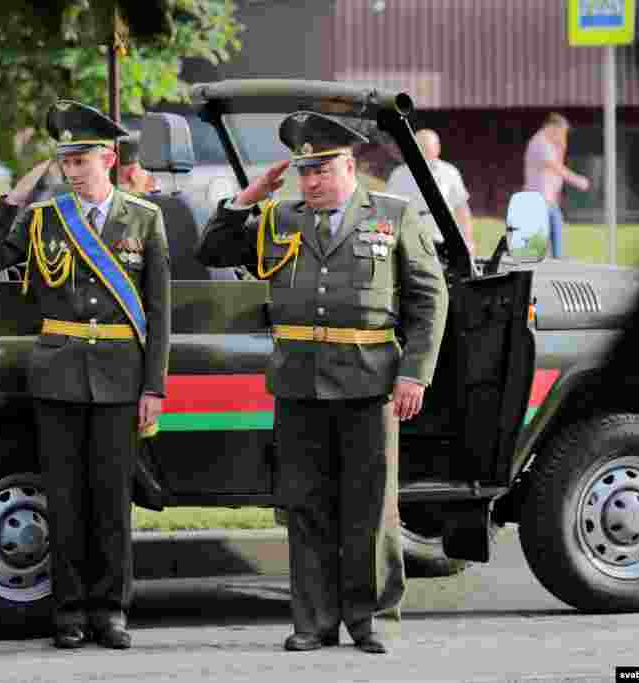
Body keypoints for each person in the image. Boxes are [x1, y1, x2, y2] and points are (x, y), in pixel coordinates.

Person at [197, 112, 448, 654]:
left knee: (369, 505)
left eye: (322, 170)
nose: (310, 182)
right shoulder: (280, 218)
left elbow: (430, 300)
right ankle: (313, 620)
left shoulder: (394, 216)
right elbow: (213, 252)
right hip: (299, 383)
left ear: (349, 165)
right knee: (305, 506)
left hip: (369, 382)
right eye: (303, 172)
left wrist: (414, 374)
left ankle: (369, 618)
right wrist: (249, 196)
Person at [0, 99, 170, 650]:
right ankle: (69, 612)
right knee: (64, 498)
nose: (73, 170)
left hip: (120, 377)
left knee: (110, 501)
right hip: (59, 374)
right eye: (66, 161)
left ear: (109, 157)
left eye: (82, 159)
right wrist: (15, 196)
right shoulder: (44, 217)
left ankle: (110, 611)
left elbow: (159, 310)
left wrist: (154, 385)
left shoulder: (144, 219)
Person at [385, 128, 475, 253]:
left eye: (427, 147)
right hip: (409, 241)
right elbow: (388, 209)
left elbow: (461, 209)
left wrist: (468, 241)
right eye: (419, 146)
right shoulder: (399, 174)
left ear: (437, 148)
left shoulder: (449, 172)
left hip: (443, 242)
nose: (423, 151)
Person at [523, 113, 591, 259]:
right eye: (561, 132)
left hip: (549, 202)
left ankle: (556, 263)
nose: (562, 136)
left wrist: (562, 145)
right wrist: (578, 180)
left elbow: (558, 163)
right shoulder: (540, 142)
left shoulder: (549, 145)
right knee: (538, 249)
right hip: (538, 202)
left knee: (555, 244)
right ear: (552, 127)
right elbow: (556, 167)